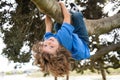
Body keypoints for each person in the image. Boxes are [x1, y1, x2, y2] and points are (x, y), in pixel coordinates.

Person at [32, 2, 90, 77]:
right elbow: (67, 17)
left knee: (57, 25)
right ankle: (76, 10)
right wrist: (62, 4)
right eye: (51, 47)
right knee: (76, 16)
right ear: (59, 49)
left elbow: (48, 25)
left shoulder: (48, 40)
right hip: (83, 44)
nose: (48, 43)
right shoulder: (64, 38)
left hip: (72, 44)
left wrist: (47, 12)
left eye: (45, 45)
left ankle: (69, 32)